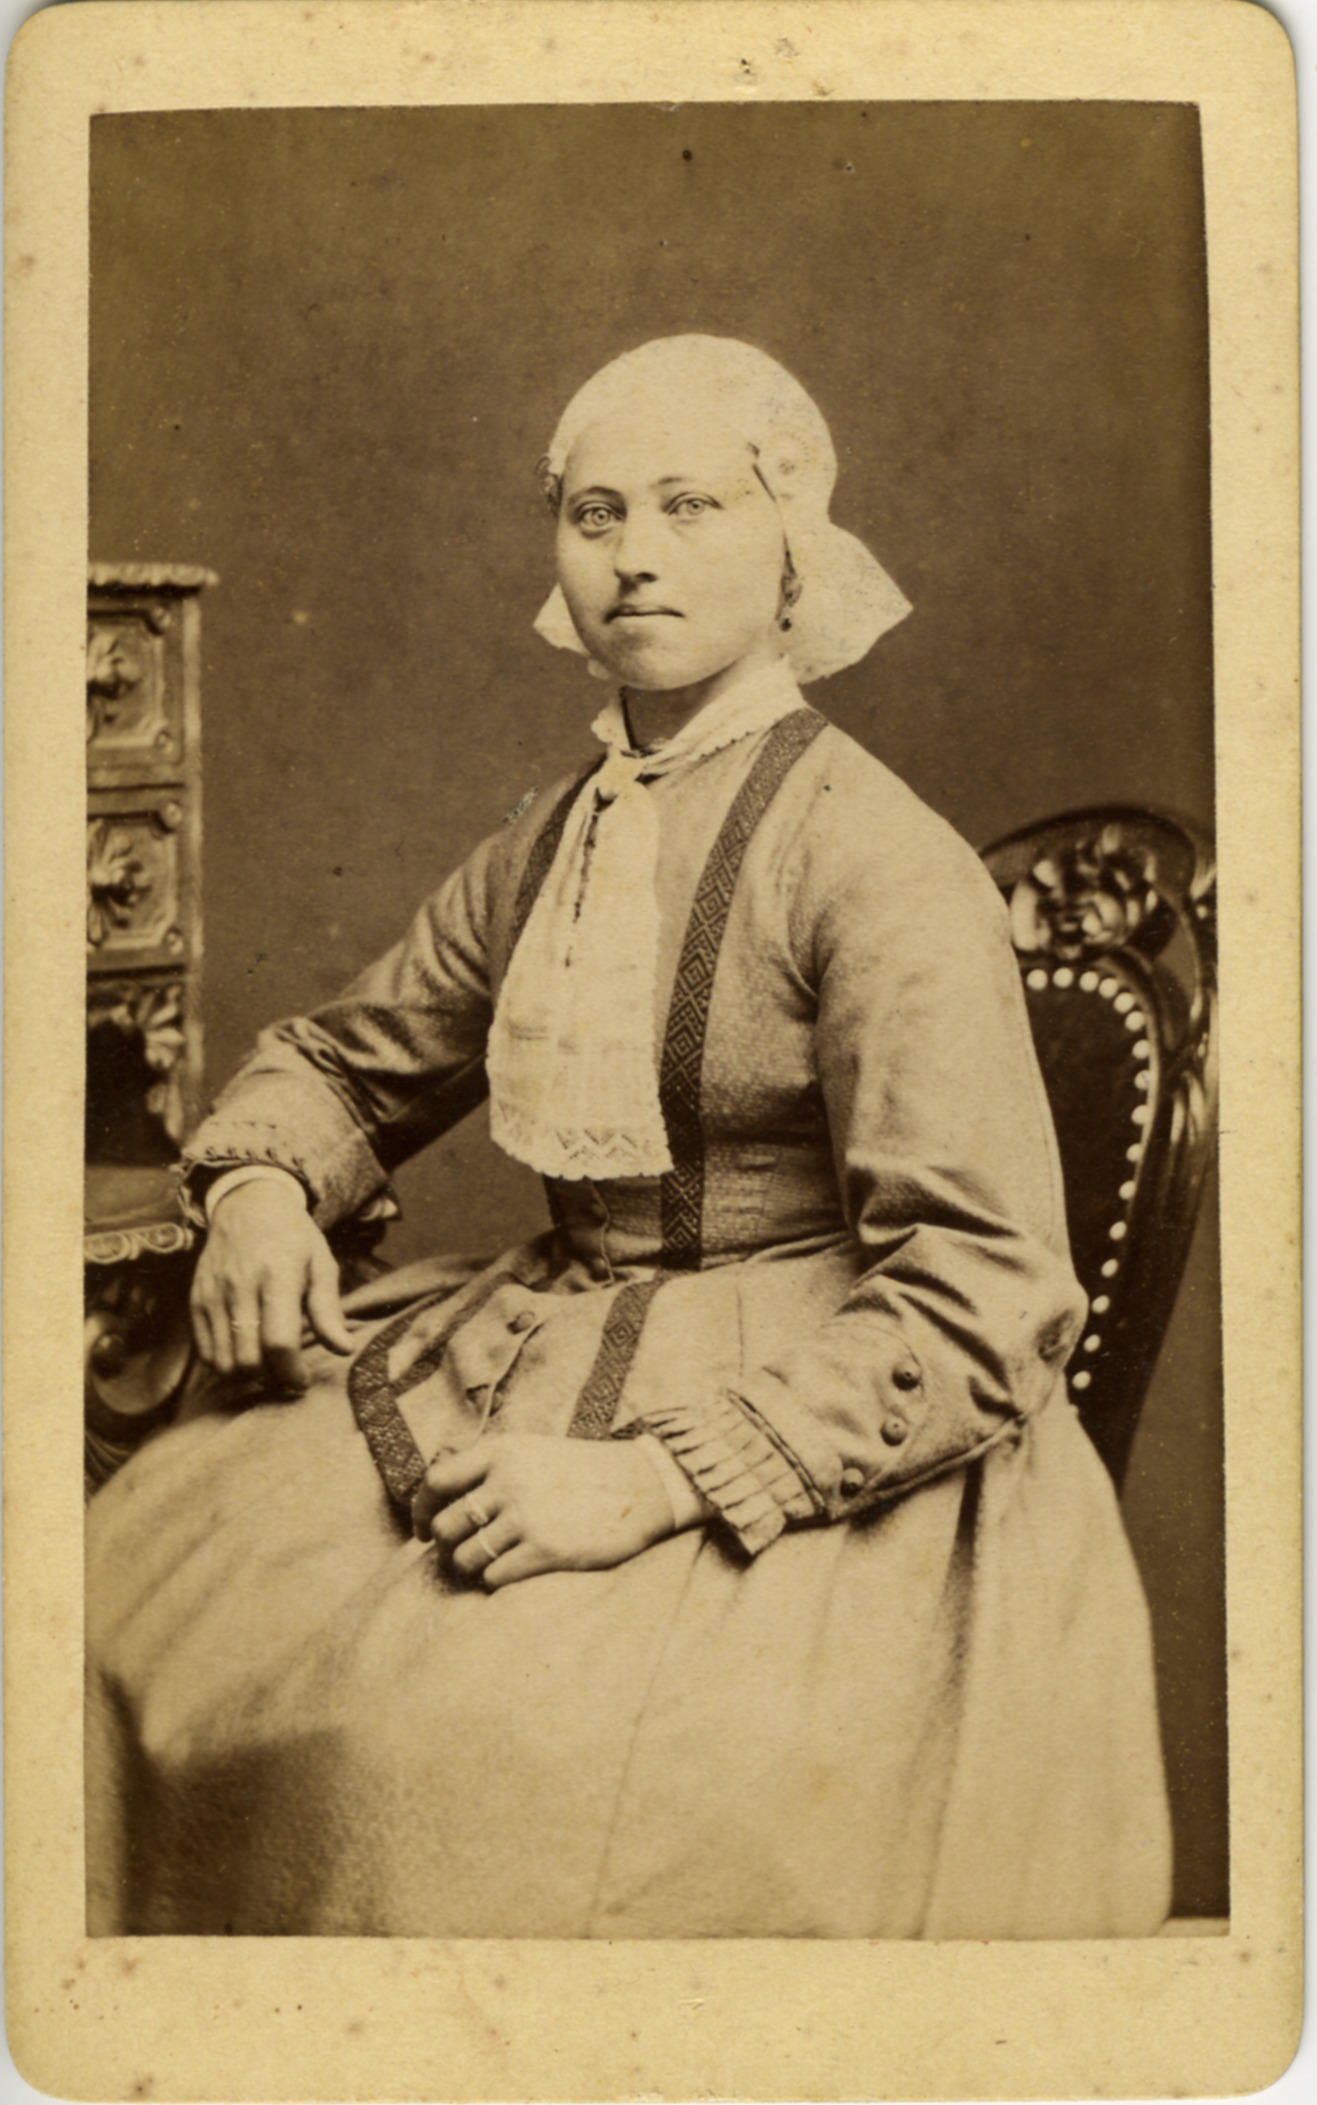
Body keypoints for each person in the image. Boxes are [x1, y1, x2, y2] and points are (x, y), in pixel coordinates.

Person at [85, 335, 1172, 1939]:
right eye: (594, 513)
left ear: (791, 548)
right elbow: (341, 1063)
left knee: (431, 1757)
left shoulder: (874, 858)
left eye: (689, 506)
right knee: (132, 1585)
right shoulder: (551, 837)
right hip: (537, 1339)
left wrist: (654, 1481)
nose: (634, 554)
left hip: (821, 1449)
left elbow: (986, 1289)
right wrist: (254, 1185)